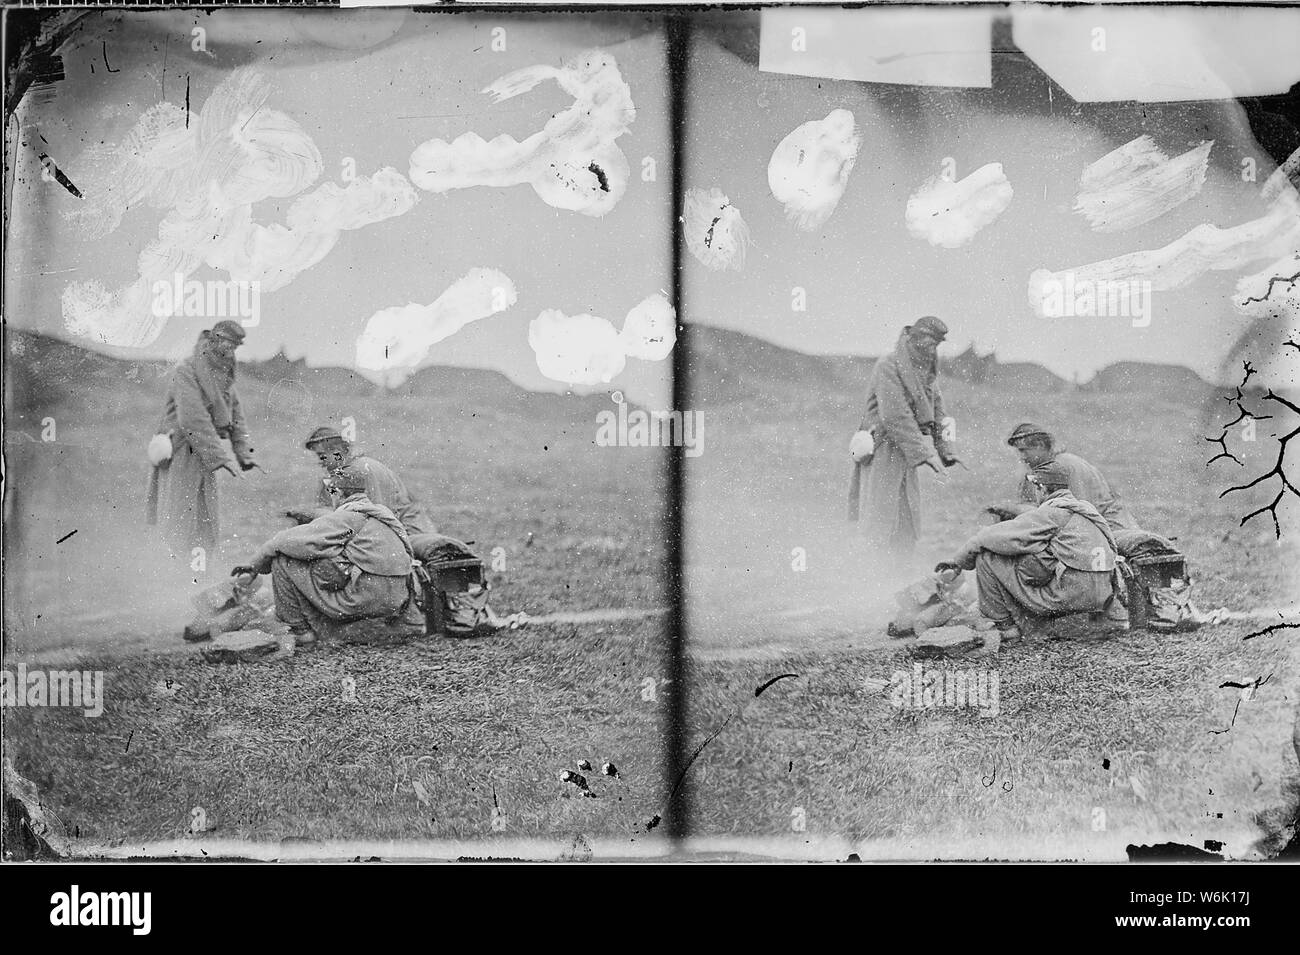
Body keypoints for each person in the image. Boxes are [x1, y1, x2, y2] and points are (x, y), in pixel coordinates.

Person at [939, 461, 1125, 648]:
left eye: (1036, 488)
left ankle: (1006, 629)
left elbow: (989, 537)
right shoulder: (1084, 510)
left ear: (1042, 488)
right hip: (1102, 596)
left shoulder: (1053, 513)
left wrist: (958, 561)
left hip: (1072, 595)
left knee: (986, 557)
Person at [231, 463, 423, 645]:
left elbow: (284, 541)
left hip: (366, 598)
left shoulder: (349, 517)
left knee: (282, 559)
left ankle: (299, 630)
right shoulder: (380, 513)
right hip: (397, 599)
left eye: (332, 491)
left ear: (338, 492)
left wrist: (255, 564)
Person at [850, 316, 961, 560]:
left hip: (905, 451)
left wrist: (946, 449)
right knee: (878, 517)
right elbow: (895, 415)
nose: (933, 350)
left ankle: (899, 572)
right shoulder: (888, 366)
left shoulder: (926, 370)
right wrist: (925, 454)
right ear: (914, 338)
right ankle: (869, 574)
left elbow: (937, 408)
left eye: (937, 345)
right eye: (930, 343)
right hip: (882, 448)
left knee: (906, 515)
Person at [146, 321, 258, 558]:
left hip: (203, 454)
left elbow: (235, 414)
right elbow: (192, 419)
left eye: (236, 346)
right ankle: (173, 569)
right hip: (179, 451)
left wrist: (244, 452)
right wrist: (220, 458)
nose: (232, 350)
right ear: (215, 339)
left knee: (203, 515)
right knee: (178, 514)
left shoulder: (224, 375)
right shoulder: (186, 371)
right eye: (229, 343)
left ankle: (197, 568)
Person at [289, 426, 438, 548]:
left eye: (321, 456)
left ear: (338, 452)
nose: (320, 462)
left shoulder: (364, 469)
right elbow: (332, 509)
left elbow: (380, 514)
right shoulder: (333, 477)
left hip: (407, 534)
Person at [1002, 423, 1138, 532]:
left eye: (1023, 450)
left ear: (1040, 445)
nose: (1021, 457)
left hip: (1112, 531)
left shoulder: (1065, 466)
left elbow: (1077, 514)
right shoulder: (1041, 470)